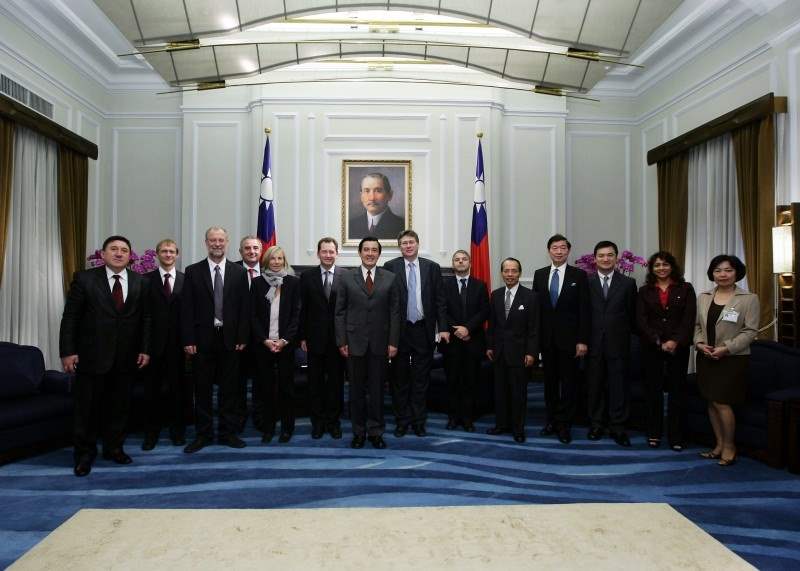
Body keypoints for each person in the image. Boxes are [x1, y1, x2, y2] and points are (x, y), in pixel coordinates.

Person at [59, 235, 151, 477]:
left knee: (120, 407)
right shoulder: (85, 279)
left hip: (126, 358)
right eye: (114, 249)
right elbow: (70, 317)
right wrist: (67, 351)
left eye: (124, 250)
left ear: (130, 256)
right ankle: (84, 454)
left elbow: (146, 319)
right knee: (87, 409)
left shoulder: (140, 281)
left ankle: (114, 448)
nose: (119, 253)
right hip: (92, 356)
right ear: (103, 254)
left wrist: (145, 349)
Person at [181, 226, 250, 453]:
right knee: (202, 390)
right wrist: (188, 339)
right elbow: (187, 309)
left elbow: (244, 308)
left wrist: (242, 336)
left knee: (229, 390)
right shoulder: (193, 271)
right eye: (213, 240)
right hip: (202, 340)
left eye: (221, 240)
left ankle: (228, 433)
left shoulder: (239, 272)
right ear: (206, 243)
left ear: (227, 242)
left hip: (230, 339)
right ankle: (203, 435)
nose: (217, 244)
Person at [335, 236, 400, 449]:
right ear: (360, 252)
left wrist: (393, 342)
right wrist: (342, 341)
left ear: (379, 254)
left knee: (377, 391)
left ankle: (376, 432)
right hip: (354, 343)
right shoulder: (346, 277)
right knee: (356, 392)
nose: (370, 253)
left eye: (374, 250)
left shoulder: (390, 278)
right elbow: (340, 312)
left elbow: (395, 312)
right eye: (366, 249)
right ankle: (358, 432)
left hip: (381, 343)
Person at [694, 255, 758, 467]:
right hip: (706, 356)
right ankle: (719, 444)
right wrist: (699, 344)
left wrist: (726, 348)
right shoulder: (703, 297)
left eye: (728, 270)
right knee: (711, 401)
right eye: (718, 270)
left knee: (722, 402)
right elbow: (697, 326)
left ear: (737, 273)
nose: (723, 274)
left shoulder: (749, 298)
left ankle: (730, 446)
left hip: (732, 359)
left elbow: (750, 331)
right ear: (712, 273)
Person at [384, 230, 449, 437]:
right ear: (399, 247)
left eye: (411, 242)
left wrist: (443, 327)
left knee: (421, 380)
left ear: (418, 244)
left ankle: (419, 421)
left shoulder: (432, 267)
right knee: (400, 379)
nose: (408, 246)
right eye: (404, 243)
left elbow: (440, 301)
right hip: (400, 331)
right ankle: (402, 421)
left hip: (423, 330)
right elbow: (386, 303)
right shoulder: (390, 267)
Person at [532, 234, 590, 444]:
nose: (559, 251)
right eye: (555, 248)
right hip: (546, 341)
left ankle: (565, 424)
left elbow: (584, 310)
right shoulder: (539, 275)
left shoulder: (579, 275)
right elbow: (535, 311)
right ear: (549, 251)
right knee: (549, 384)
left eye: (563, 247)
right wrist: (535, 342)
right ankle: (551, 420)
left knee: (568, 384)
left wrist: (582, 340)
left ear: (568, 251)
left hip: (570, 342)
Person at [636, 251, 696, 451]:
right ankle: (653, 432)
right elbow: (641, 320)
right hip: (651, 347)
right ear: (652, 269)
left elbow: (689, 318)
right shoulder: (644, 290)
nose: (661, 268)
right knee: (652, 390)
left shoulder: (685, 288)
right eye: (657, 265)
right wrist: (657, 340)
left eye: (665, 264)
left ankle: (676, 436)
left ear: (672, 266)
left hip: (678, 347)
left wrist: (675, 341)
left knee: (677, 391)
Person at [586, 240, 637, 447]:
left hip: (619, 344)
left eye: (610, 255)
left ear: (616, 258)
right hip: (593, 344)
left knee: (618, 387)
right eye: (601, 255)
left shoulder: (628, 284)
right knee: (594, 385)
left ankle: (618, 427)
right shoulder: (586, 282)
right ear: (595, 259)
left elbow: (632, 317)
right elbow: (582, 314)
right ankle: (596, 424)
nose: (605, 259)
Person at [251, 245, 301, 443]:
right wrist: (264, 340)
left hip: (285, 345)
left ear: (284, 261)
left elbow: (297, 315)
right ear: (266, 261)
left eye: (280, 258)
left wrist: (284, 340)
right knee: (266, 389)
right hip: (264, 345)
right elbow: (253, 315)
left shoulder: (293, 283)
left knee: (286, 388)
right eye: (272, 258)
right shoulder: (257, 283)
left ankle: (287, 428)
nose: (276, 262)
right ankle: (268, 428)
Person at [486, 257, 539, 443]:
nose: (510, 274)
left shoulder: (531, 297)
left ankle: (518, 429)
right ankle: (501, 424)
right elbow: (492, 324)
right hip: (499, 353)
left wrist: (531, 352)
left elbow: (534, 328)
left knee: (518, 393)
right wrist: (489, 346)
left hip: (520, 354)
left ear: (519, 273)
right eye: (506, 271)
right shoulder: (495, 295)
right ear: (502, 273)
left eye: (514, 271)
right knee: (500, 392)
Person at [142, 238, 187, 450]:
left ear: (177, 255)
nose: (168, 255)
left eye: (171, 251)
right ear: (157, 254)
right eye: (164, 251)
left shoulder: (186, 280)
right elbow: (142, 315)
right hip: (153, 346)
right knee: (152, 392)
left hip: (179, 346)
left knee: (178, 391)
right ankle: (151, 433)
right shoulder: (145, 280)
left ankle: (177, 432)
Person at [299, 237, 345, 440]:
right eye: (324, 251)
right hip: (314, 339)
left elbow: (349, 309)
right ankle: (317, 423)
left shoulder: (346, 276)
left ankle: (333, 423)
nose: (328, 255)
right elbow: (302, 309)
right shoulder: (307, 276)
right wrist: (302, 336)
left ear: (337, 253)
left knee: (336, 384)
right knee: (315, 384)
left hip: (338, 340)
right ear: (318, 253)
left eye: (331, 251)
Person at [441, 249, 489, 432]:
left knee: (471, 381)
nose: (460, 262)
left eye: (464, 259)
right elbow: (442, 310)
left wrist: (468, 328)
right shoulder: (444, 285)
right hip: (451, 343)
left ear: (470, 263)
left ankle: (468, 419)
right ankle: (453, 417)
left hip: (473, 341)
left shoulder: (480, 285)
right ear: (453, 264)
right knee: (452, 381)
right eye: (457, 259)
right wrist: (457, 330)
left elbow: (484, 311)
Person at [233, 235, 263, 433]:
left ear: (261, 251)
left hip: (263, 337)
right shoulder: (232, 271)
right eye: (247, 248)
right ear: (240, 251)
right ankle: (239, 416)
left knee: (261, 379)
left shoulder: (271, 271)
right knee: (238, 380)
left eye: (255, 248)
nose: (251, 251)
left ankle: (260, 417)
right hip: (238, 336)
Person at [348, 173, 405, 240]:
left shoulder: (402, 225)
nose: (372, 198)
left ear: (389, 195)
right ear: (361, 196)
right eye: (367, 191)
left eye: (378, 191)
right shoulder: (350, 225)